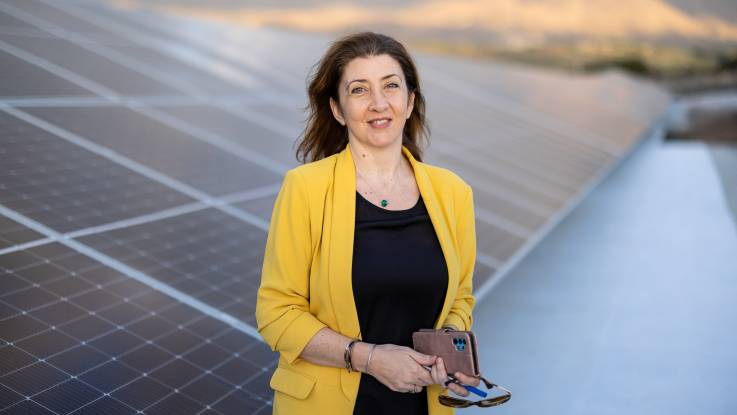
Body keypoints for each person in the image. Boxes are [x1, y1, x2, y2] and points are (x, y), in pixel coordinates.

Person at [256, 32, 480, 414]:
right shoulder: (307, 189)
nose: (379, 103)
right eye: (359, 90)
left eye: (391, 86)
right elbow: (277, 313)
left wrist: (449, 352)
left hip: (424, 406)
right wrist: (370, 358)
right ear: (338, 109)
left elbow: (460, 298)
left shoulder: (453, 193)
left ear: (410, 101)